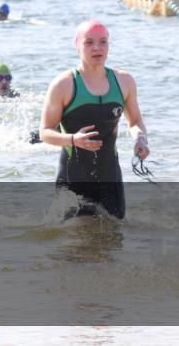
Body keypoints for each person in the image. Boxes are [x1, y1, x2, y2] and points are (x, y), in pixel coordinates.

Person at [38, 20, 150, 220]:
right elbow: (45, 132)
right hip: (73, 178)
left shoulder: (124, 81)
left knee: (114, 233)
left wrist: (140, 139)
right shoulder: (63, 84)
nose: (97, 48)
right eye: (89, 42)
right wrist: (73, 139)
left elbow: (135, 122)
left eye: (103, 42)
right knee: (71, 236)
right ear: (77, 46)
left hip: (110, 177)